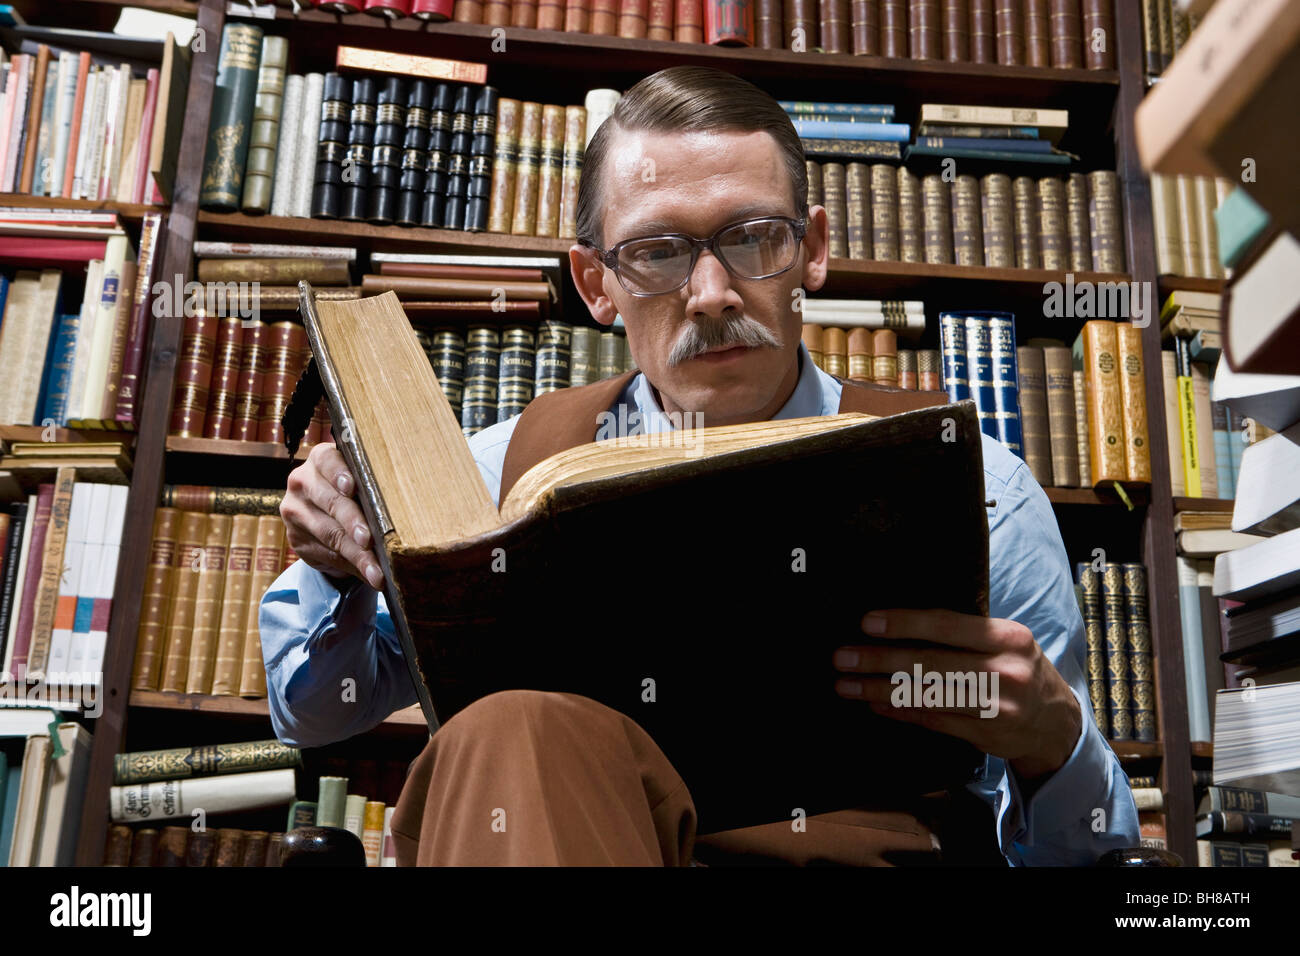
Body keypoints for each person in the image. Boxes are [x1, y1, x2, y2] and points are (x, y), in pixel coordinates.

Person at [260, 65, 1139, 866]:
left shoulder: (981, 493)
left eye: (754, 238)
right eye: (658, 253)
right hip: (558, 836)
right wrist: (340, 572)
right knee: (514, 729)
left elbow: (1091, 861)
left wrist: (1053, 743)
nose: (713, 294)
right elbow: (317, 712)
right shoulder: (491, 477)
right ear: (597, 283)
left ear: (815, 250)